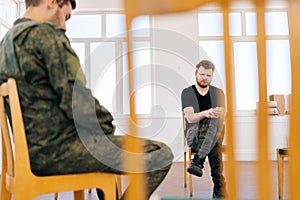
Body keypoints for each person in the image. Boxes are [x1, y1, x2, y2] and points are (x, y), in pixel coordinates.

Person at [0, 0, 174, 199]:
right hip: (60, 151)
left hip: (33, 153)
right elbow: (77, 102)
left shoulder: (6, 42)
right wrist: (106, 123)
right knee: (160, 154)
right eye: (66, 17)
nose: (64, 27)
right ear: (51, 2)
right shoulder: (46, 36)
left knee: (106, 145)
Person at [181, 60, 226, 198]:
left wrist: (216, 113)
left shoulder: (218, 93)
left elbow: (223, 116)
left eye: (208, 75)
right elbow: (190, 118)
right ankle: (220, 189)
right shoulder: (187, 92)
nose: (204, 78)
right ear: (196, 73)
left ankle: (197, 161)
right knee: (214, 142)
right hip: (193, 136)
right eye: (202, 74)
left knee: (215, 121)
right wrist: (206, 112)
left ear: (212, 76)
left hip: (214, 134)